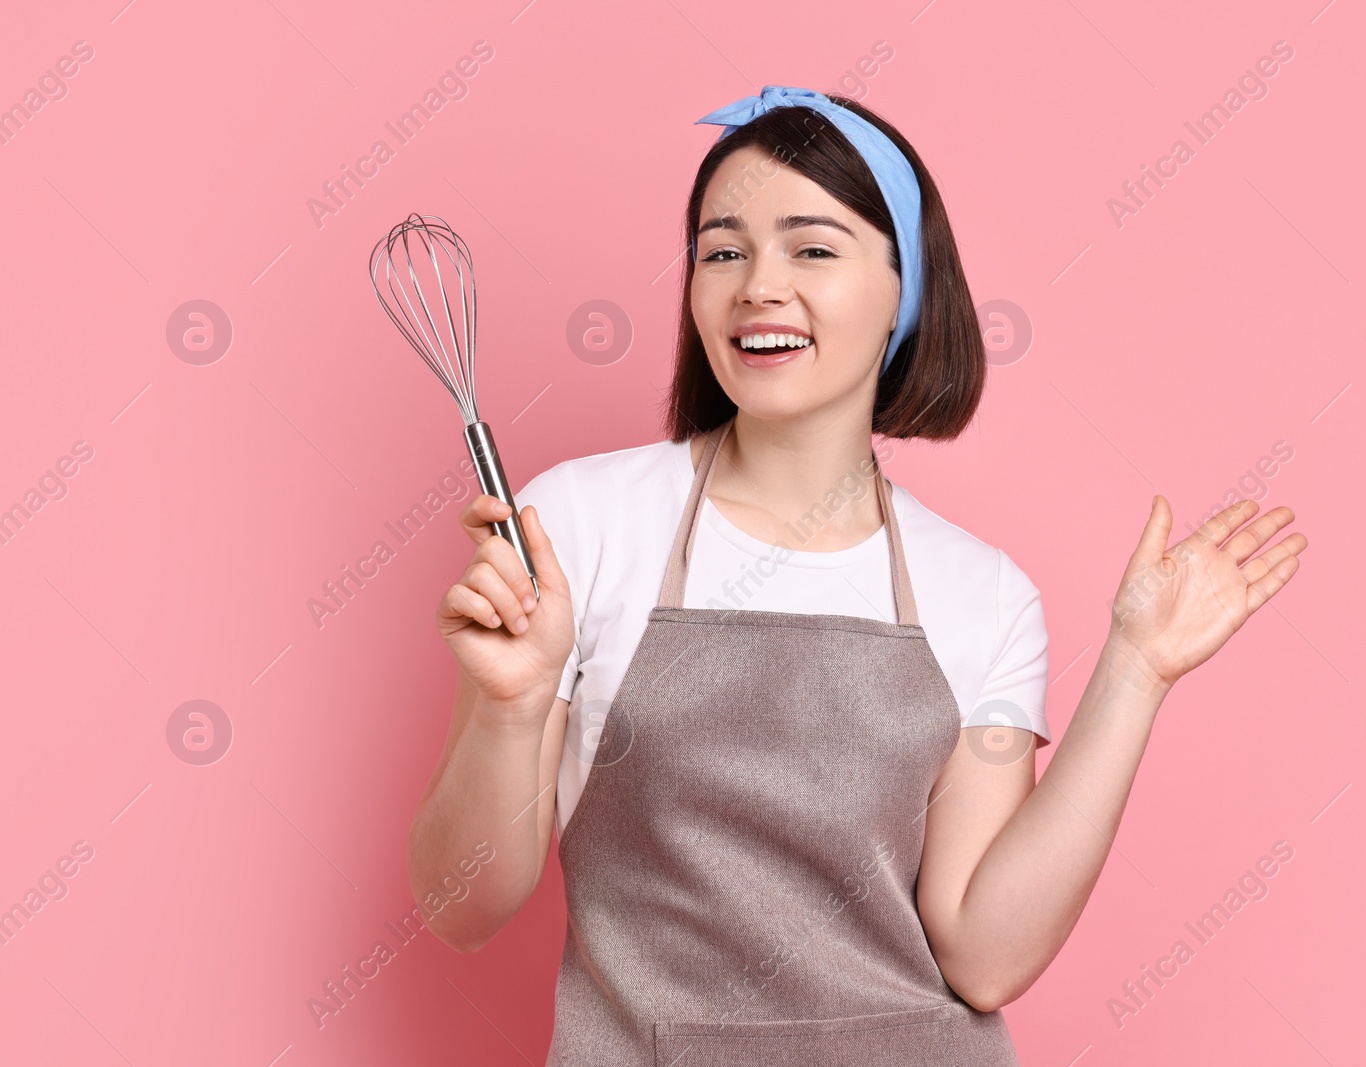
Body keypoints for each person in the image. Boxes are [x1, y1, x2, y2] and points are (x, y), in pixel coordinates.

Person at [405, 86, 1308, 1065]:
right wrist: (512, 703)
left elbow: (985, 956)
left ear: (903, 291)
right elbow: (462, 909)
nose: (757, 284)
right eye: (722, 250)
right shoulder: (577, 526)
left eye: (813, 248)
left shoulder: (982, 592)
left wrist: (1135, 665)